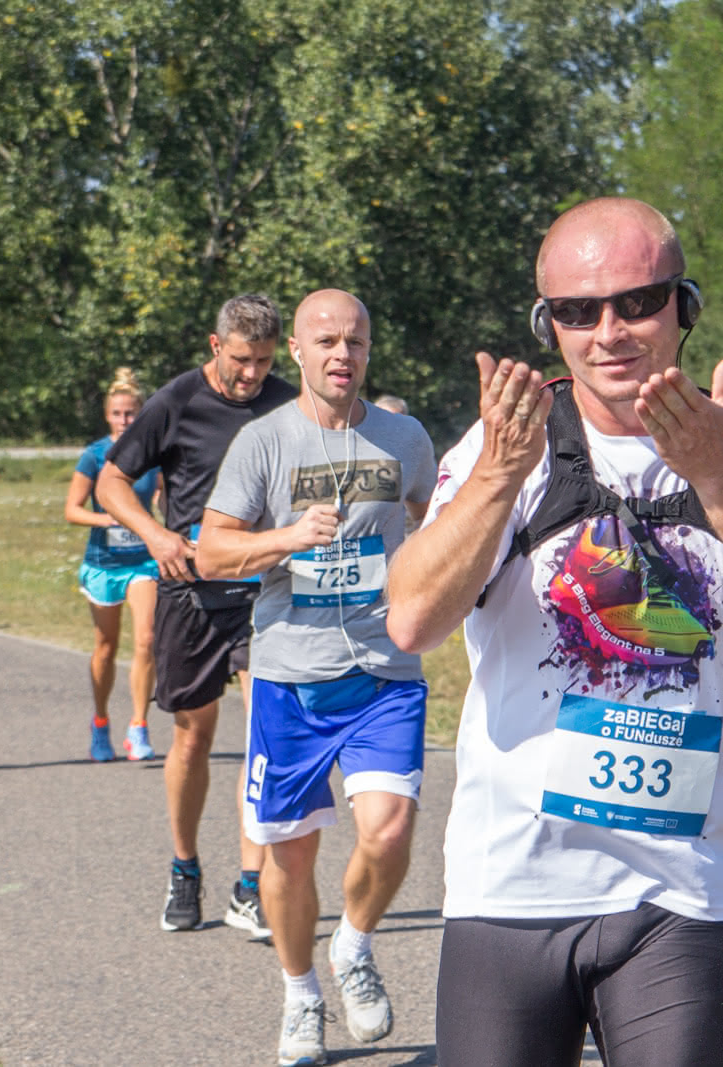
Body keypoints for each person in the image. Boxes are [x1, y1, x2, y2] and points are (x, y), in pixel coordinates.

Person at [386, 197, 723, 1067]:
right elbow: (412, 618)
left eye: (637, 302)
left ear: (684, 306)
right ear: (549, 326)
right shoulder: (509, 445)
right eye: (578, 311)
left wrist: (718, 479)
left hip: (676, 892)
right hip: (512, 887)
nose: (609, 332)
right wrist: (498, 476)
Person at [197, 290, 437, 1066]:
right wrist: (287, 538)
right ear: (297, 351)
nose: (343, 354)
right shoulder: (264, 441)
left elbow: (436, 519)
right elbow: (211, 551)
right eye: (326, 340)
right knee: (290, 856)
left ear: (369, 350)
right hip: (290, 676)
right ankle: (300, 993)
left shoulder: (404, 437)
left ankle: (354, 946)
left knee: (389, 830)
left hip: (383, 668)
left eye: (355, 341)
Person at [97, 293, 294, 937]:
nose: (252, 375)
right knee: (192, 736)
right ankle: (185, 869)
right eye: (241, 361)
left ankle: (250, 885)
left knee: (267, 734)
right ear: (216, 346)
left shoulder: (287, 402)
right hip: (191, 591)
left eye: (264, 361)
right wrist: (155, 536)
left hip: (266, 592)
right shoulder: (178, 401)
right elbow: (110, 482)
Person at [65, 367, 163, 762]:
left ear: (141, 414)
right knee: (105, 647)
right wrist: (108, 518)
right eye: (118, 414)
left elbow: (163, 497)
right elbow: (72, 510)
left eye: (131, 413)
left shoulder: (154, 454)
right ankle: (101, 721)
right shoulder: (94, 455)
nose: (124, 420)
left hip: (143, 562)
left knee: (147, 640)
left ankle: (138, 727)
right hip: (104, 564)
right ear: (108, 416)